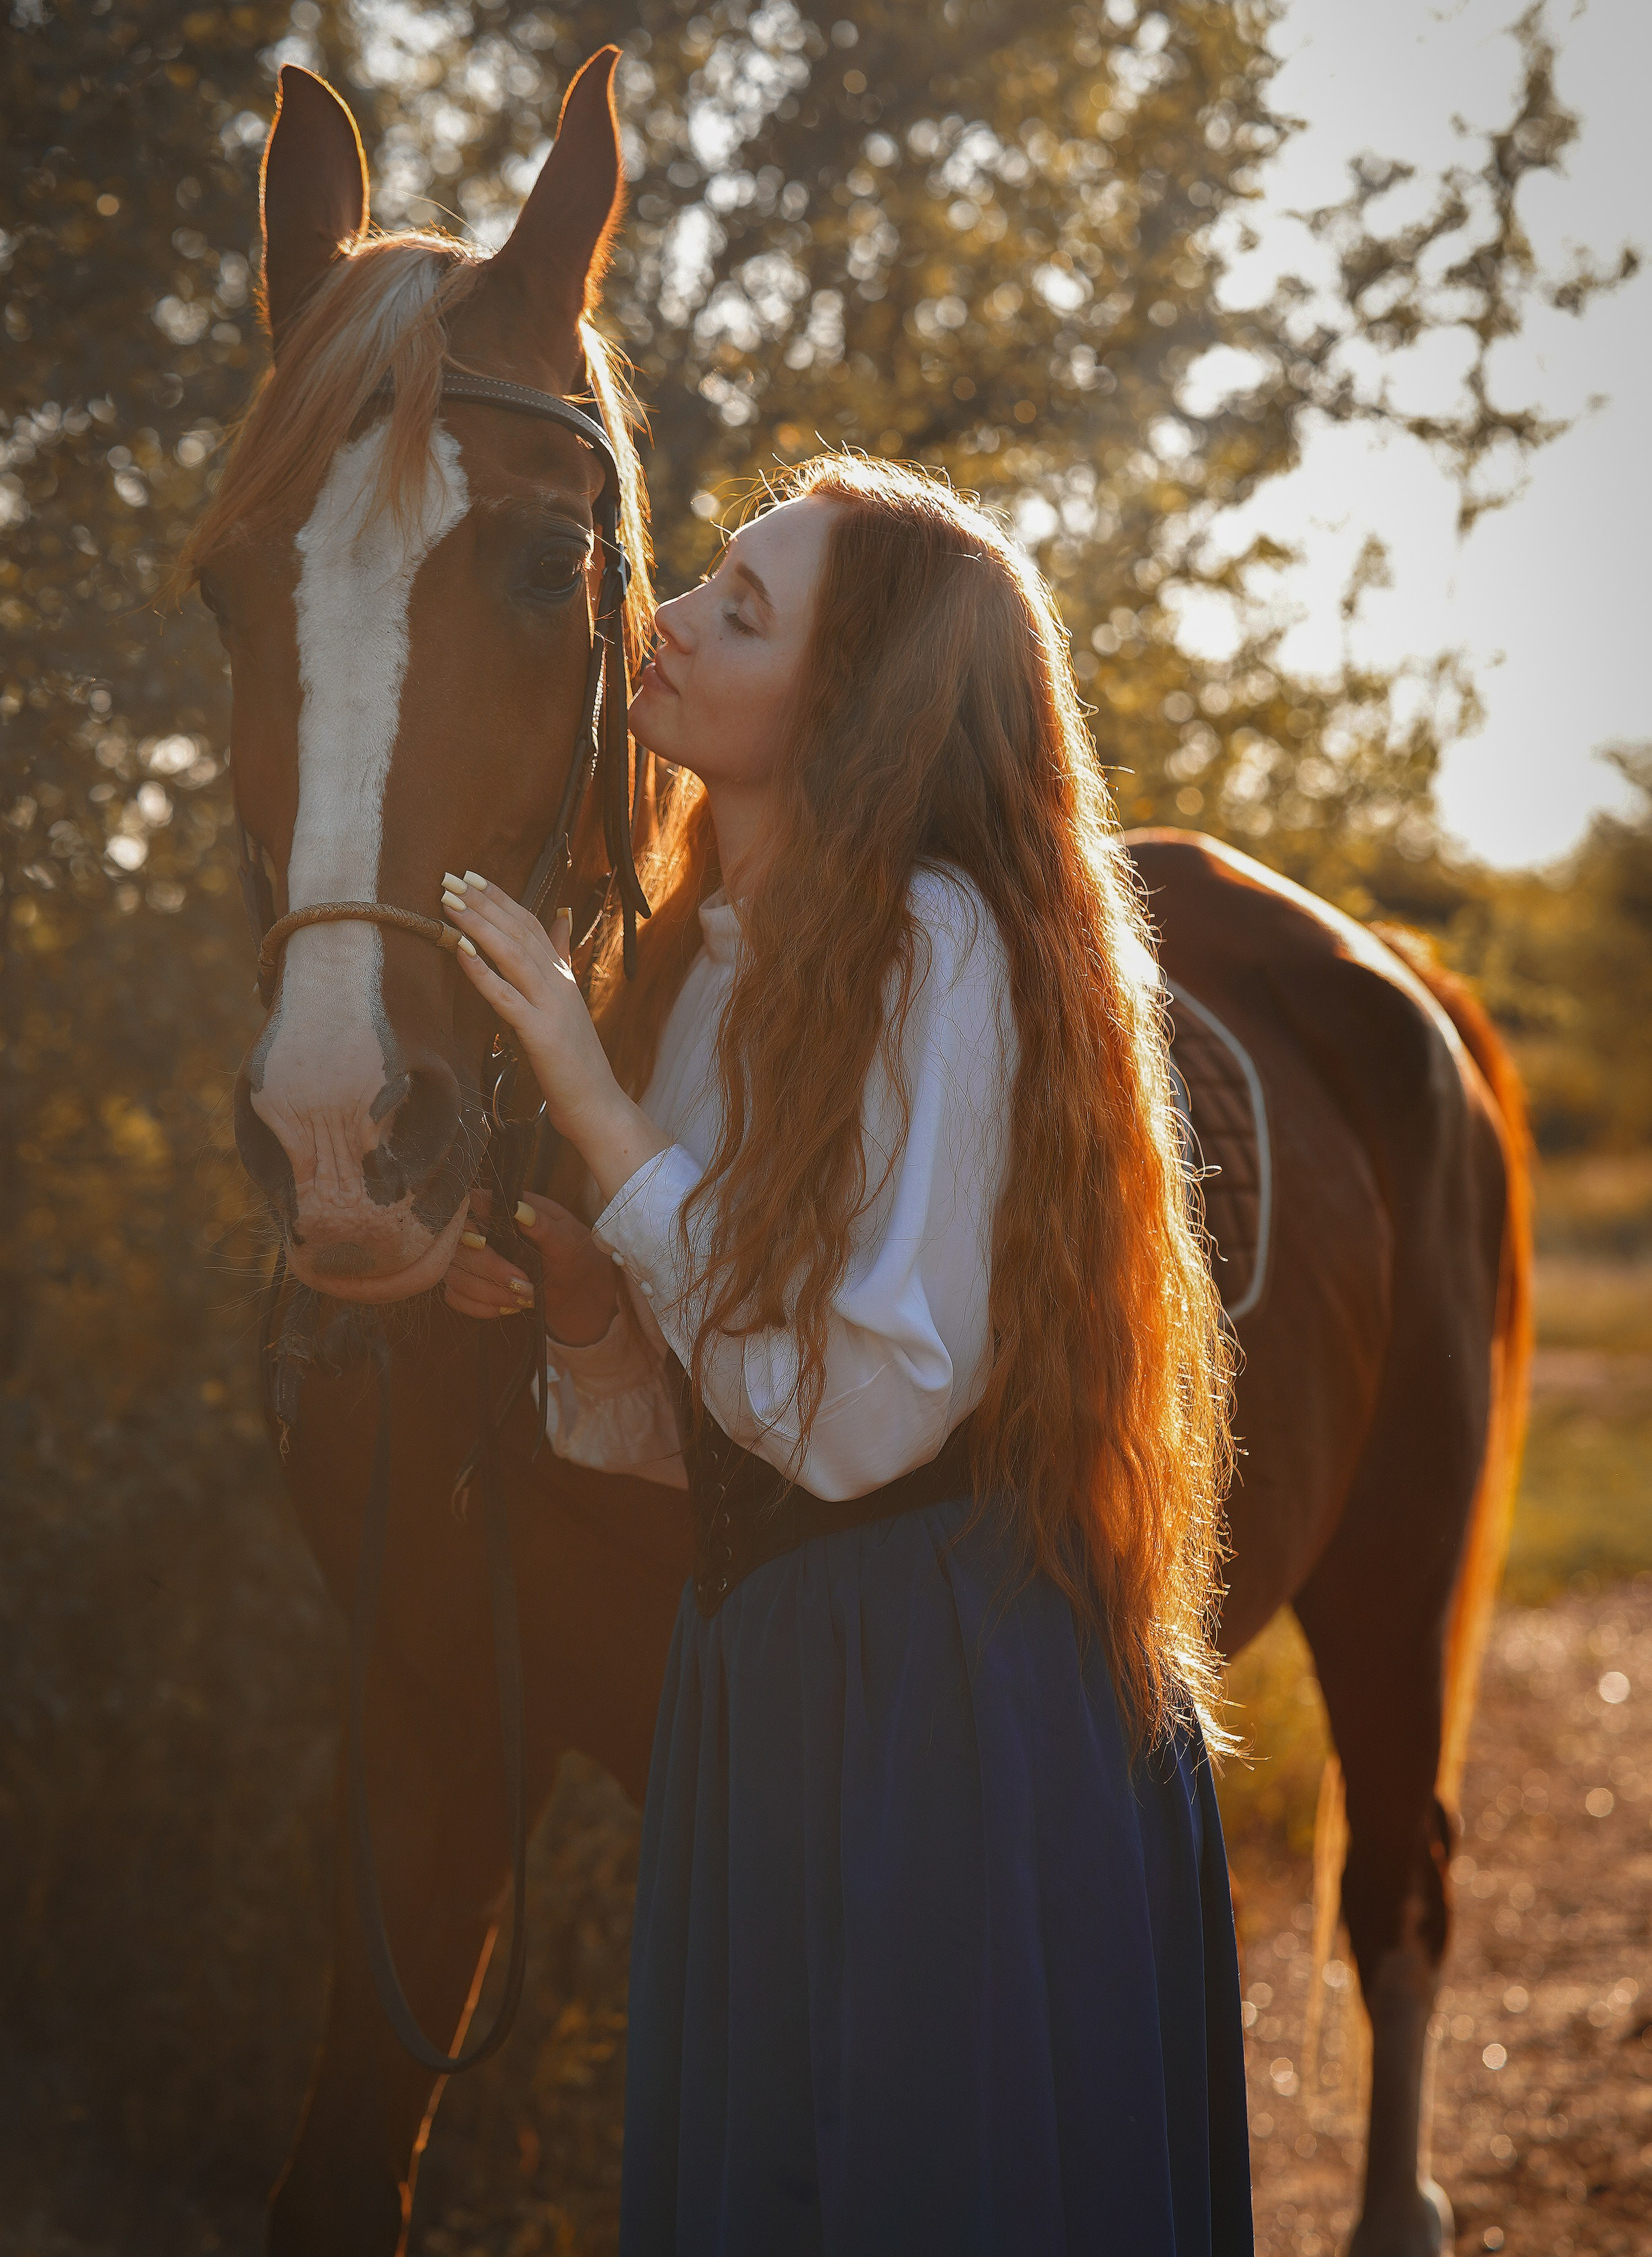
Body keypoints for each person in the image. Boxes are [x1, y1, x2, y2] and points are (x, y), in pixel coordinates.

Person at [441, 455, 1253, 2256]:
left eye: (740, 610)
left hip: (952, 1700)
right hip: (764, 1681)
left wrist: (592, 1106)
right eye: (704, 584)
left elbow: (868, 1416)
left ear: (860, 707)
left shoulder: (940, 950)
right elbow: (732, 1429)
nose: (663, 621)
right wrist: (591, 1307)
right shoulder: (714, 972)